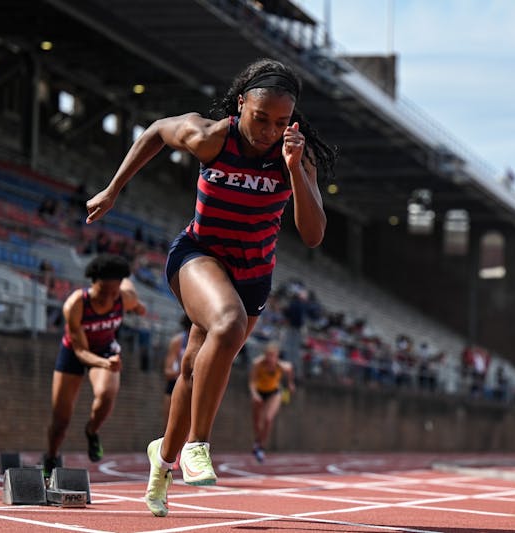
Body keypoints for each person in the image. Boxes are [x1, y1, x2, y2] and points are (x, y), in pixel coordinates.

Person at [84, 57, 336, 517]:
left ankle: (162, 463)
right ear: (241, 103)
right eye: (260, 118)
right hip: (198, 255)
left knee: (192, 368)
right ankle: (198, 444)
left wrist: (297, 169)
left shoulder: (295, 155)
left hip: (253, 273)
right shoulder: (211, 137)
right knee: (227, 322)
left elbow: (314, 233)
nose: (267, 131)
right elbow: (159, 129)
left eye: (280, 123)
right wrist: (114, 189)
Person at [43, 254, 146, 477]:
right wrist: (105, 363)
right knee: (60, 420)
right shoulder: (76, 305)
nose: (107, 299)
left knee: (107, 394)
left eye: (113, 293)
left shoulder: (124, 297)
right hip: (75, 352)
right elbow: (81, 352)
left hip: (106, 347)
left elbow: (134, 299)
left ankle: (91, 431)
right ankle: (51, 456)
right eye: (102, 294)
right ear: (93, 285)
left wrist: (138, 307)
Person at [248, 341, 295, 463]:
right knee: (257, 422)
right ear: (265, 355)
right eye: (268, 355)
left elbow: (289, 368)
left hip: (274, 392)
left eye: (273, 356)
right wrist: (255, 394)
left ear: (277, 356)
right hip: (259, 392)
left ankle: (261, 447)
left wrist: (290, 384)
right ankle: (257, 442)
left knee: (268, 419)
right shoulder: (258, 364)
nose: (271, 359)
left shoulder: (280, 366)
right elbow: (252, 382)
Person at [163, 314, 192, 429]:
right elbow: (167, 372)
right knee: (170, 426)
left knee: (190, 428)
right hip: (175, 385)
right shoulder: (178, 342)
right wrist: (183, 370)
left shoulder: (206, 342)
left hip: (194, 386)